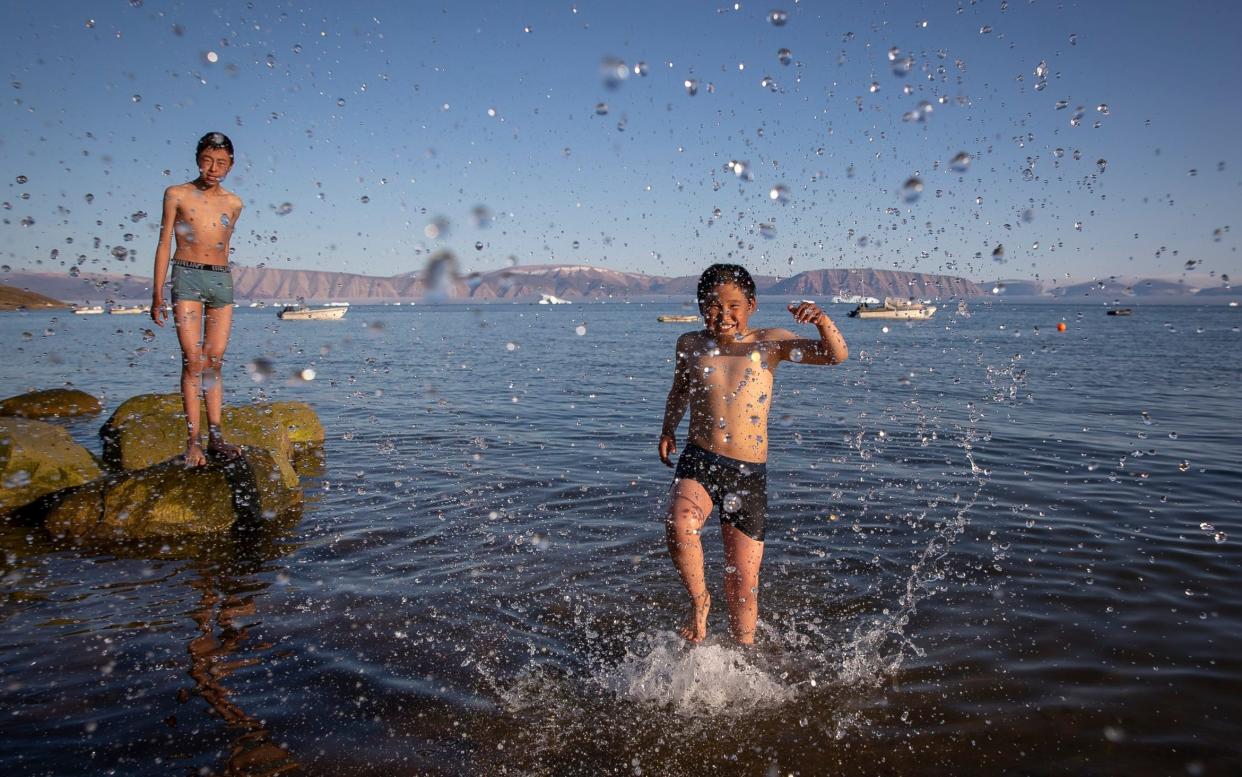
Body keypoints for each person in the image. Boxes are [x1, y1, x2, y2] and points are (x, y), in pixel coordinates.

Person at [659, 263, 848, 645]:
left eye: (733, 307)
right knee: (680, 525)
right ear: (699, 307)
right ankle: (699, 602)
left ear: (752, 306)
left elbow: (835, 356)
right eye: (712, 306)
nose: (723, 316)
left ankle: (744, 652)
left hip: (747, 473)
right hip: (699, 458)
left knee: (743, 580)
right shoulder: (690, 344)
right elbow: (680, 389)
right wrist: (668, 428)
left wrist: (821, 321)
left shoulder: (770, 344)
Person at [150, 132, 244, 467]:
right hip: (186, 275)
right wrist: (157, 291)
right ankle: (194, 441)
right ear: (197, 159)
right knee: (192, 359)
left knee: (214, 360)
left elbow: (223, 245)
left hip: (221, 280)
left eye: (220, 162)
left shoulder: (234, 204)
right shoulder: (176, 194)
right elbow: (164, 243)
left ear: (231, 165)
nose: (213, 168)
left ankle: (217, 436)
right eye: (207, 160)